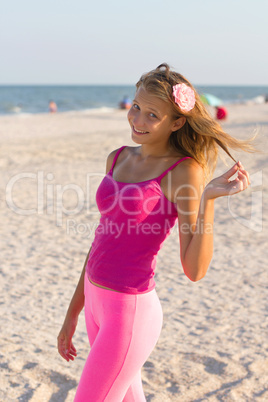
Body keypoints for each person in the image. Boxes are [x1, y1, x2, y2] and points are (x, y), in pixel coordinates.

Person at [57, 63, 253, 401]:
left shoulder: (184, 171)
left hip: (128, 312)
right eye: (136, 107)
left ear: (177, 122)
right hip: (95, 303)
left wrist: (208, 199)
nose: (137, 120)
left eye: (152, 115)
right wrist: (72, 312)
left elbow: (194, 270)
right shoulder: (117, 158)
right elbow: (101, 240)